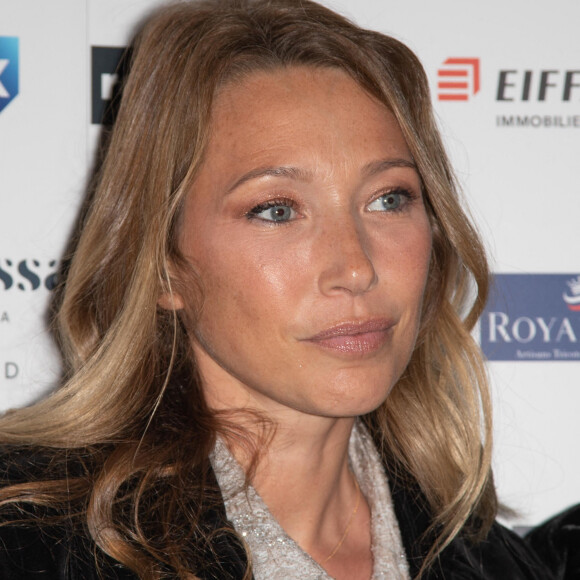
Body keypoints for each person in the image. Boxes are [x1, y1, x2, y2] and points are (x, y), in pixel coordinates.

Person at [0, 0, 567, 578]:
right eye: (276, 210)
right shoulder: (27, 543)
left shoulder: (495, 562)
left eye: (389, 198)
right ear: (164, 265)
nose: (356, 268)